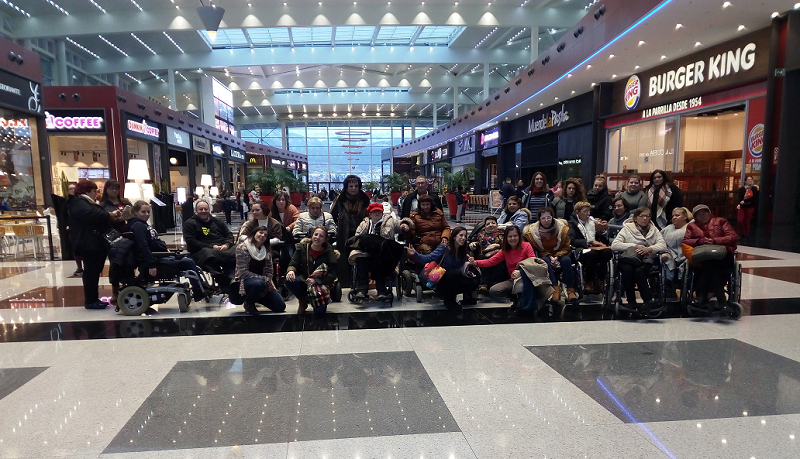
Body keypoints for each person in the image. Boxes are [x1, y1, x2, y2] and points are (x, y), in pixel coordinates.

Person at [128, 201, 208, 302]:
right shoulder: (138, 226)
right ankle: (198, 291)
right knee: (188, 262)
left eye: (148, 212)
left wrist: (164, 249)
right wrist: (151, 265)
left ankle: (201, 287)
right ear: (135, 212)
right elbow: (143, 246)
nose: (147, 214)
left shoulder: (142, 225)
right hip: (155, 260)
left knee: (188, 258)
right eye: (143, 212)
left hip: (160, 256)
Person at [68, 181, 120, 309]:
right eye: (94, 191)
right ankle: (91, 300)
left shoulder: (85, 202)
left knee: (94, 271)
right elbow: (93, 215)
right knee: (91, 272)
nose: (96, 194)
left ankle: (94, 298)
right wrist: (110, 215)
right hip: (88, 244)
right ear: (87, 190)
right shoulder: (79, 203)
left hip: (94, 243)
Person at [682, 204, 739, 311]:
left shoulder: (721, 221)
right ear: (695, 216)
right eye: (699, 214)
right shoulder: (692, 226)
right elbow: (686, 241)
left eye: (704, 212)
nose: (702, 215)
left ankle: (701, 296)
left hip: (723, 256)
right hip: (703, 257)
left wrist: (714, 241)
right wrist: (699, 241)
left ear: (709, 212)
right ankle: (721, 301)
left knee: (712, 264)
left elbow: (733, 237)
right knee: (712, 265)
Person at [407, 226, 479, 310]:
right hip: (440, 279)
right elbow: (428, 258)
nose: (463, 238)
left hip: (454, 280)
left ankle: (467, 298)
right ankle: (449, 301)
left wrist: (471, 260)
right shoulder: (444, 248)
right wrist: (415, 254)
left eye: (465, 236)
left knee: (474, 279)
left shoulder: (462, 251)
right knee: (455, 274)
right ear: (454, 236)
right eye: (461, 235)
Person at [611, 207, 667, 314]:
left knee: (638, 271)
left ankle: (647, 301)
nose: (645, 218)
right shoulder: (627, 229)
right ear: (635, 218)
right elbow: (615, 245)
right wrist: (635, 246)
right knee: (627, 269)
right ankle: (631, 301)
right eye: (642, 216)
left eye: (647, 216)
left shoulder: (654, 230)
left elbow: (663, 245)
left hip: (645, 261)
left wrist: (649, 249)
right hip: (629, 259)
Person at [350, 202, 402, 301]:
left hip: (383, 252)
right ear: (370, 214)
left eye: (379, 211)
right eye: (374, 212)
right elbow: (356, 237)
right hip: (366, 251)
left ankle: (381, 290)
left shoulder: (390, 221)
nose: (377, 214)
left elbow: (401, 225)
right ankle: (362, 290)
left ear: (382, 213)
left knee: (379, 261)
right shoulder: (364, 224)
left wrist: (405, 226)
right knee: (361, 260)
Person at [525, 207, 577, 302]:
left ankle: (571, 289)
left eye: (548, 217)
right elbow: (539, 250)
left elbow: (566, 246)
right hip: (545, 254)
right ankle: (555, 289)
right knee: (545, 261)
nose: (546, 220)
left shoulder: (562, 229)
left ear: (552, 217)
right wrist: (550, 257)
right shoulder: (533, 233)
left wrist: (557, 256)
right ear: (539, 220)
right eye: (543, 218)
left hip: (561, 252)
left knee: (566, 260)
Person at [234, 224, 287, 316]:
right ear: (254, 233)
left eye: (265, 235)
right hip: (245, 281)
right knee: (259, 283)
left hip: (263, 282)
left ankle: (257, 296)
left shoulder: (266, 250)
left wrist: (268, 280)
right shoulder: (242, 248)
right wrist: (266, 280)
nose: (263, 236)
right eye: (260, 233)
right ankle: (249, 302)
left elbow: (270, 271)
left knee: (280, 306)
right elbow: (243, 273)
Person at [286, 227, 339, 316]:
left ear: (325, 240)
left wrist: (316, 280)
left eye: (321, 236)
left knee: (319, 312)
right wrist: (291, 271)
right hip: (304, 280)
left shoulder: (330, 253)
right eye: (316, 234)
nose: (317, 237)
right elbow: (293, 264)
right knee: (289, 280)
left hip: (320, 283)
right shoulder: (301, 248)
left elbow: (333, 274)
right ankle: (302, 301)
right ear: (312, 235)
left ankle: (317, 301)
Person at [330, 175, 372, 285]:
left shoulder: (365, 199)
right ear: (346, 187)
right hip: (345, 233)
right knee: (347, 258)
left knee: (361, 256)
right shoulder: (340, 199)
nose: (353, 188)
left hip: (362, 233)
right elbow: (332, 216)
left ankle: (361, 283)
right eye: (351, 186)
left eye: (356, 186)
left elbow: (370, 214)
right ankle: (351, 282)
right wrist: (337, 227)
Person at [182, 200, 236, 283]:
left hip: (223, 248)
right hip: (205, 250)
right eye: (201, 209)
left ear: (209, 210)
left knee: (237, 249)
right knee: (208, 254)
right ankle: (219, 277)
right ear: (196, 210)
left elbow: (229, 235)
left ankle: (231, 277)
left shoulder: (218, 221)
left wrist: (227, 245)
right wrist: (212, 247)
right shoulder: (190, 223)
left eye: (205, 209)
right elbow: (191, 241)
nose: (203, 211)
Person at [475, 225, 536, 299]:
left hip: (527, 278)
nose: (512, 238)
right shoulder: (505, 250)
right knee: (494, 290)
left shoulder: (527, 246)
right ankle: (513, 297)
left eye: (515, 236)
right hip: (513, 280)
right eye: (510, 236)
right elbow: (490, 262)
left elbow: (533, 262)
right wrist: (475, 262)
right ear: (506, 238)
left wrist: (521, 272)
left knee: (521, 287)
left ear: (519, 236)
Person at [568, 201, 613, 292]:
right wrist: (590, 242)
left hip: (595, 248)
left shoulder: (592, 222)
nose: (588, 214)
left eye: (589, 211)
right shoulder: (572, 224)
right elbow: (572, 241)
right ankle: (588, 281)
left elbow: (602, 239)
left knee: (607, 252)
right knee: (592, 255)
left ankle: (600, 278)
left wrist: (601, 230)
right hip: (581, 249)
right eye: (585, 211)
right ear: (577, 212)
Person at [660, 207, 693, 298]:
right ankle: (669, 288)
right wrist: (664, 252)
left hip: (686, 256)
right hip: (670, 255)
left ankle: (682, 281)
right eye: (673, 216)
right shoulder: (667, 229)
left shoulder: (691, 227)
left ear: (685, 216)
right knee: (665, 259)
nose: (674, 217)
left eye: (677, 215)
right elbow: (660, 242)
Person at [468, 215, 506, 293]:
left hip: (500, 254)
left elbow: (508, 245)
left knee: (496, 259)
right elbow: (476, 245)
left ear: (497, 225)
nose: (491, 225)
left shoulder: (503, 234)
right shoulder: (480, 234)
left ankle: (494, 283)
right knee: (485, 259)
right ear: (485, 226)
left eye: (493, 223)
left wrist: (498, 245)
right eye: (488, 224)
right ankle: (483, 284)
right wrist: (473, 244)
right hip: (483, 256)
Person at [62, 182, 84, 278]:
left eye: (74, 188)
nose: (72, 190)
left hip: (82, 228)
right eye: (70, 189)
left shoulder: (81, 201)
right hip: (72, 228)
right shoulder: (67, 203)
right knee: (75, 248)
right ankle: (79, 267)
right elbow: (63, 216)